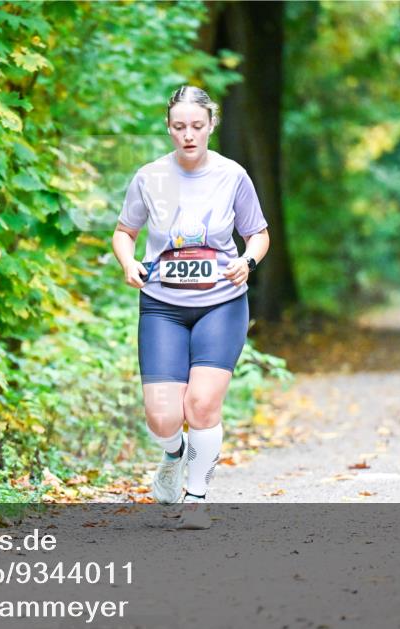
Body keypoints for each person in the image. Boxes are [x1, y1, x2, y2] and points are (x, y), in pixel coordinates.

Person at [111, 85, 270, 529]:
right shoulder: (149, 177)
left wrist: (247, 261)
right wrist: (128, 263)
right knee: (163, 417)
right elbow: (124, 232)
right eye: (179, 126)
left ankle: (196, 499)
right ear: (168, 128)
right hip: (163, 305)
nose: (188, 135)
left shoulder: (232, 175)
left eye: (197, 126)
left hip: (221, 303)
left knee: (201, 404)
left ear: (211, 126)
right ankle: (173, 455)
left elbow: (258, 234)